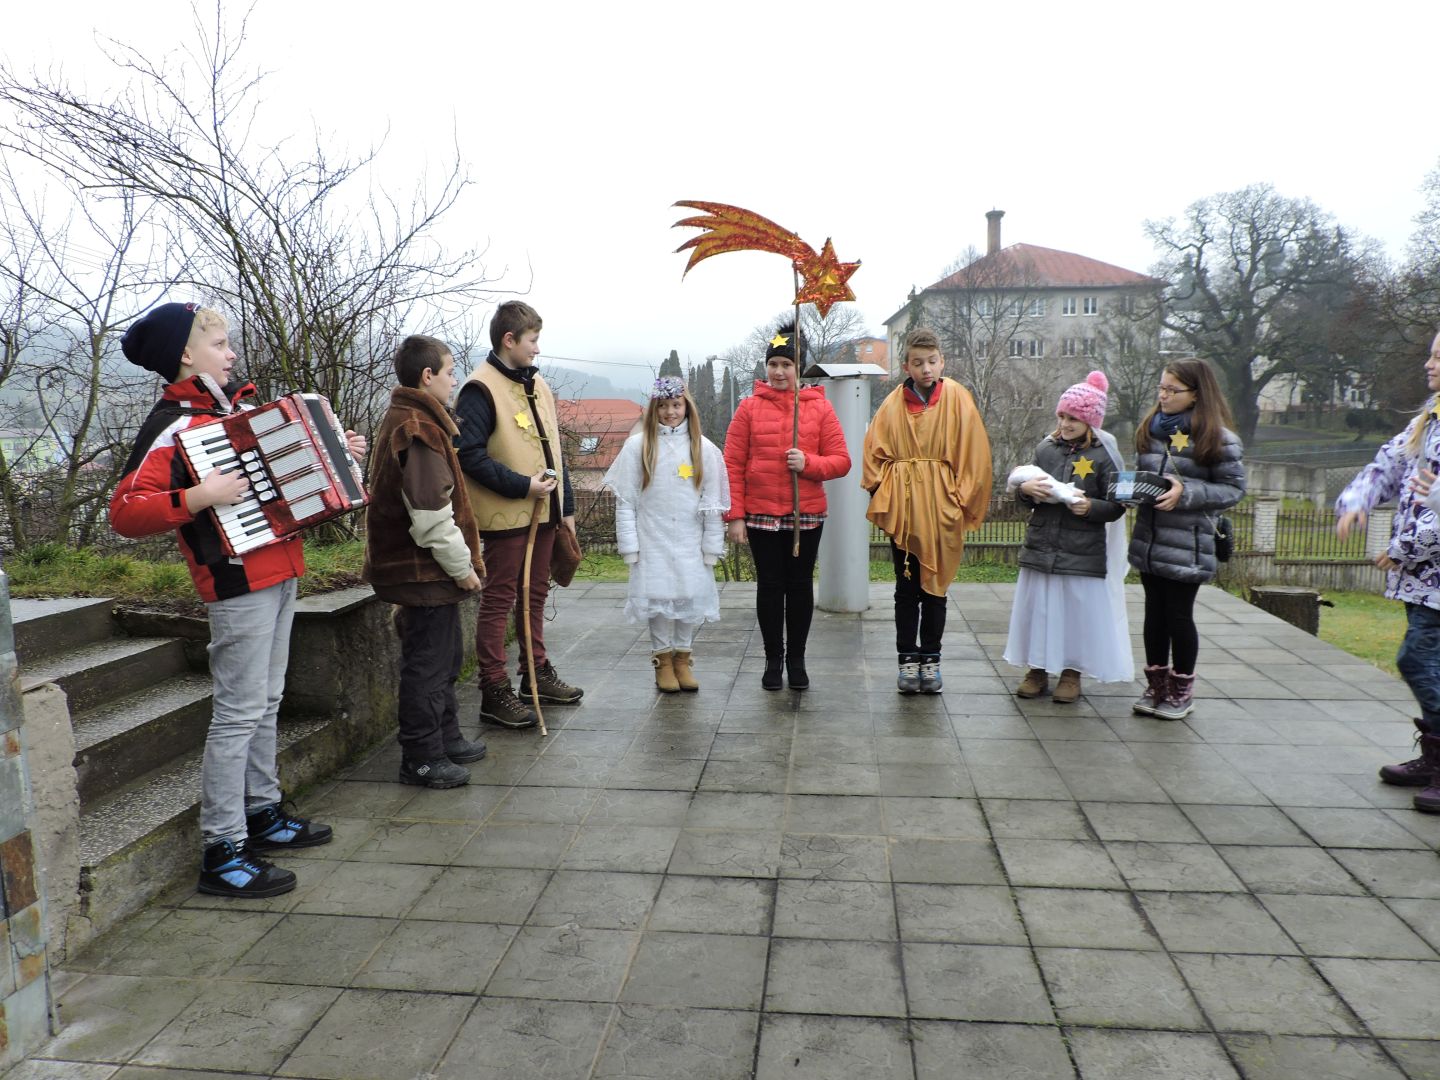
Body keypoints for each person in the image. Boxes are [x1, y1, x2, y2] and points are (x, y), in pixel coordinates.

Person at [110, 302, 366, 899]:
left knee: (267, 699)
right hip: (234, 582)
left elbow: (292, 477)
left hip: (280, 569)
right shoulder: (172, 426)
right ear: (184, 354)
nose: (231, 354)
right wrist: (199, 496)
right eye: (220, 344)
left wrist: (337, 449)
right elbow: (125, 512)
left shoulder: (237, 414)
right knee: (238, 712)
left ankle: (262, 811)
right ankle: (221, 849)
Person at [363, 335, 488, 789]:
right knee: (427, 665)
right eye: (451, 372)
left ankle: (445, 738)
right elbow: (431, 515)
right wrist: (463, 568)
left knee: (444, 657)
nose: (455, 381)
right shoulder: (417, 427)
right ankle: (421, 757)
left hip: (427, 571)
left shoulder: (416, 419)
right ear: (428, 375)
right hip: (422, 570)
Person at [455, 301, 583, 730]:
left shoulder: (537, 383)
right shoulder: (479, 389)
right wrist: (522, 486)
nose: (537, 349)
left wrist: (565, 508)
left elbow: (554, 451)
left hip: (544, 514)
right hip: (506, 516)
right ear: (509, 340)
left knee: (535, 595)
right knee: (499, 600)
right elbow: (468, 455)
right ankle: (493, 689)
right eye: (532, 340)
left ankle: (535, 674)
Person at [1336, 330, 1440, 814]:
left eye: (1439, 357)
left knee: (1417, 660)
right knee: (1428, 664)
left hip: (1428, 573)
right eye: (1431, 355)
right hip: (1425, 582)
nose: (1429, 364)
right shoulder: (1429, 420)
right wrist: (1357, 502)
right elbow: (1387, 466)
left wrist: (1403, 549)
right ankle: (1434, 758)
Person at [863, 327, 992, 694]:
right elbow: (873, 454)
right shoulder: (892, 404)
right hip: (904, 511)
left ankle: (931, 659)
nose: (926, 369)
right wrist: (884, 494)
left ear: (942, 362)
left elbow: (975, 455)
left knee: (936, 588)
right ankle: (907, 660)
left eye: (932, 361)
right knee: (906, 588)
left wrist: (959, 501)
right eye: (918, 363)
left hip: (942, 509)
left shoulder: (958, 399)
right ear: (906, 365)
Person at [723, 321, 851, 690]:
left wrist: (808, 463)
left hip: (804, 514)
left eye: (787, 364)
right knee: (769, 586)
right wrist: (735, 516)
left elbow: (841, 461)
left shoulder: (819, 409)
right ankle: (772, 658)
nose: (779, 372)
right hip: (761, 514)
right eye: (773, 364)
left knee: (799, 586)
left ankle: (797, 659)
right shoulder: (748, 409)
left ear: (799, 368)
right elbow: (732, 464)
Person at [1128, 357, 1246, 720]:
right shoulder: (1151, 430)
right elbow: (1144, 475)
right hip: (1150, 539)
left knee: (1178, 616)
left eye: (1172, 390)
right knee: (1153, 615)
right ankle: (1156, 686)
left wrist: (1187, 492)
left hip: (1189, 544)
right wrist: (1130, 491)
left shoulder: (1219, 439)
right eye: (1161, 388)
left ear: (1196, 394)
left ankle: (1181, 691)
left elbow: (1233, 489)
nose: (1163, 396)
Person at [1003, 371, 1132, 703]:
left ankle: (1072, 673)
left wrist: (1091, 507)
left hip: (1081, 551)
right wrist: (1026, 491)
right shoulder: (1045, 449)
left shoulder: (1107, 456)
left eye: (1073, 418)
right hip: (1042, 547)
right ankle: (1037, 669)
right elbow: (1026, 492)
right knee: (1040, 611)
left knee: (1075, 616)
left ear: (1090, 420)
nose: (1065, 423)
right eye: (1061, 416)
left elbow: (1119, 505)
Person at [603, 376, 729, 692]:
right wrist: (630, 546)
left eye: (676, 405)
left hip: (690, 539)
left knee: (688, 597)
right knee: (657, 598)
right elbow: (626, 500)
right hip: (652, 538)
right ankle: (662, 660)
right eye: (663, 406)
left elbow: (712, 502)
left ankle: (683, 658)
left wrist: (711, 546)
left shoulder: (704, 449)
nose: (670, 412)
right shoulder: (638, 447)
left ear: (687, 407)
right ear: (654, 409)